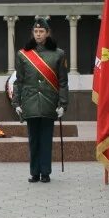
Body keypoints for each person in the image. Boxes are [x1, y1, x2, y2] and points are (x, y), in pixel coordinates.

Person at [12, 18, 68, 183]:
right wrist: (16, 103)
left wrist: (63, 104)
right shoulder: (23, 55)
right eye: (36, 32)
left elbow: (63, 82)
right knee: (33, 139)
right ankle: (34, 172)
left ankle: (45, 172)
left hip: (49, 102)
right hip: (30, 102)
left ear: (47, 33)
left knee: (46, 139)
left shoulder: (58, 54)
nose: (38, 34)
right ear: (33, 33)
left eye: (41, 31)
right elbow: (19, 81)